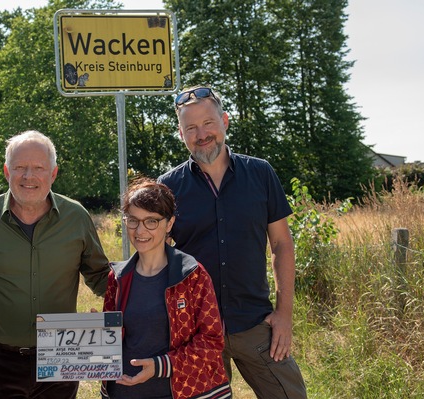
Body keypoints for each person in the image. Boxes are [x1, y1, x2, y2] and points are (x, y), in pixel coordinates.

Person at [158, 86, 307, 398]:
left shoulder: (260, 173)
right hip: (196, 331)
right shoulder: (168, 187)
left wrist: (284, 315)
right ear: (180, 133)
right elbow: (154, 258)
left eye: (209, 123)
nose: (202, 134)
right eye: (191, 128)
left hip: (254, 323)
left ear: (225, 121)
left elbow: (281, 244)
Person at [0, 130, 110, 399]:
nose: (29, 176)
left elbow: (100, 276)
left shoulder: (76, 216)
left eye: (39, 168)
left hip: (62, 350)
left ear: (52, 174)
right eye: (20, 167)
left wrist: (135, 294)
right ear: (7, 172)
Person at [101, 178, 232, 399]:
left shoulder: (192, 275)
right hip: (124, 392)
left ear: (169, 223)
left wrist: (161, 366)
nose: (140, 230)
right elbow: (113, 340)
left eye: (151, 221)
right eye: (133, 220)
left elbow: (212, 342)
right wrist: (96, 334)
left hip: (181, 393)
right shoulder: (118, 277)